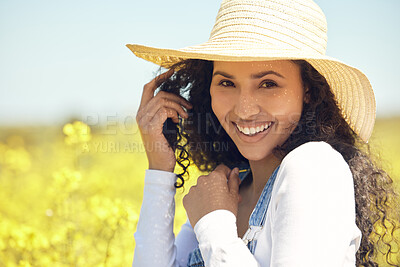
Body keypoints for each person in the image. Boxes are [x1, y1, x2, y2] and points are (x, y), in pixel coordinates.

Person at [127, 0, 399, 266]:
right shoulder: (224, 194)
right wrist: (160, 170)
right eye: (226, 82)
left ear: (309, 89)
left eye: (268, 84)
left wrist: (213, 226)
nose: (244, 110)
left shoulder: (314, 166)